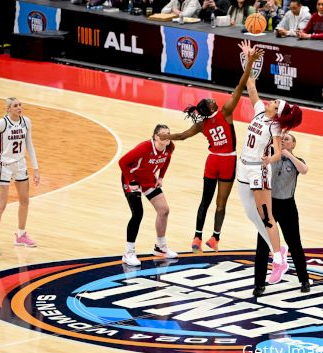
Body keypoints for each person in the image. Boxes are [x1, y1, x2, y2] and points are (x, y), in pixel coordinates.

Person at [158, 40, 260, 253]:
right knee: (219, 203)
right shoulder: (225, 112)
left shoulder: (202, 123)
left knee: (206, 201)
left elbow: (183, 136)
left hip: (214, 160)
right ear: (210, 107)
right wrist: (249, 63)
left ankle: (199, 237)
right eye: (210, 100)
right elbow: (241, 85)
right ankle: (213, 238)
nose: (212, 99)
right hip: (225, 161)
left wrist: (167, 136)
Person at [238, 45, 303, 286]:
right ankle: (279, 250)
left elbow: (278, 151)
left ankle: (278, 258)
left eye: (274, 103)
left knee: (266, 217)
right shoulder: (258, 112)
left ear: (277, 113)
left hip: (258, 170)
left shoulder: (275, 127)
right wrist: (249, 59)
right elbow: (250, 85)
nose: (270, 102)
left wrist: (270, 160)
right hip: (243, 167)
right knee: (250, 213)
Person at [253, 133, 310, 296]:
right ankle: (259, 284)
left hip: (287, 205)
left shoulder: (297, 160)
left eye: (287, 139)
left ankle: (304, 280)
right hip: (269, 204)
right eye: (282, 138)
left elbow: (304, 170)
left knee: (295, 243)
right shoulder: (271, 155)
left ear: (293, 145)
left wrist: (287, 154)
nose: (283, 141)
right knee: (263, 244)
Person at [0, 98, 40, 256]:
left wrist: (36, 168)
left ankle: (20, 235)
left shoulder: (26, 121)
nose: (19, 107)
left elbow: (29, 145)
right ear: (8, 109)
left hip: (20, 165)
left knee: (25, 201)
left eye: (20, 105)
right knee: (2, 204)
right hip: (4, 166)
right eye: (15, 106)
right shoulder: (2, 123)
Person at [119, 124, 178, 266]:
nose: (167, 136)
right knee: (138, 213)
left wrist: (161, 177)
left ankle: (160, 247)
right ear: (156, 137)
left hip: (148, 180)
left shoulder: (170, 147)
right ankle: (129, 253)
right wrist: (132, 181)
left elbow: (167, 159)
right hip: (131, 178)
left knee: (164, 210)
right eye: (163, 134)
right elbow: (122, 162)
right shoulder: (145, 147)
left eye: (168, 133)